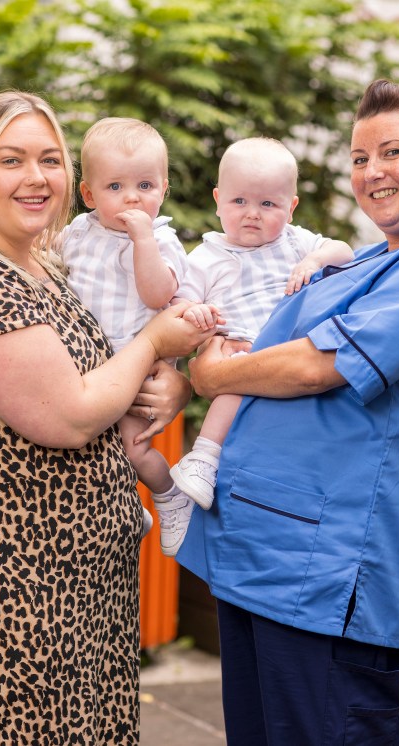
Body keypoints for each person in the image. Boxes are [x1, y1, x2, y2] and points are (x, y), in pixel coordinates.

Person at [177, 79, 399, 745]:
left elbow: (314, 365)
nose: (372, 172)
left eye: (391, 152)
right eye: (359, 159)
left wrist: (213, 374)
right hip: (264, 559)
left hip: (326, 581)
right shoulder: (368, 263)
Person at [0, 91, 213, 745]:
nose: (35, 177)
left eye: (49, 159)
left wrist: (173, 386)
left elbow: (109, 369)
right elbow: (70, 415)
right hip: (12, 579)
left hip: (87, 567)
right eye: (11, 160)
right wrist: (157, 342)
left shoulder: (45, 264)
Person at [168, 137, 354, 531]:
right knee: (238, 376)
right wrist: (195, 311)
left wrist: (315, 259)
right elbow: (177, 308)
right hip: (241, 350)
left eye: (268, 204)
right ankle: (204, 455)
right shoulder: (206, 258)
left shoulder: (295, 242)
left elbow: (344, 252)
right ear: (217, 200)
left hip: (289, 353)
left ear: (291, 207)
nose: (252, 214)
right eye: (239, 202)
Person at [59, 117, 219, 555]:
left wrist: (142, 240)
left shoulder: (162, 240)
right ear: (89, 194)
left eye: (145, 186)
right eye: (115, 188)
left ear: (163, 190)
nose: (132, 197)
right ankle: (123, 504)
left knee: (133, 448)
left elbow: (158, 293)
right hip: (85, 370)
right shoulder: (76, 232)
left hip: (136, 368)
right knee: (86, 448)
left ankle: (168, 496)